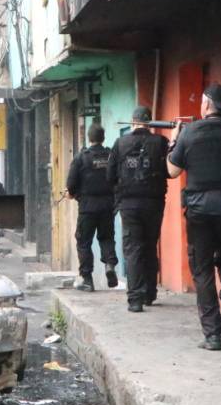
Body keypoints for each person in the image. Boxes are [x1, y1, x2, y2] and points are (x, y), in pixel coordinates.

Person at [167, 84, 221, 351]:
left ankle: (212, 335)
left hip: (199, 210)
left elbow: (172, 171)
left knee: (202, 269)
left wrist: (173, 141)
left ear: (205, 105)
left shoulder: (189, 132)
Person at [107, 106, 170, 312]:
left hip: (129, 204)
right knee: (150, 245)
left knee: (133, 249)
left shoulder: (120, 143)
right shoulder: (161, 142)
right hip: (154, 203)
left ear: (133, 121)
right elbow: (169, 171)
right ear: (150, 122)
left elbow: (110, 175)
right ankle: (149, 293)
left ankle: (135, 299)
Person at [67, 123, 118, 292]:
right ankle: (109, 265)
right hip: (107, 206)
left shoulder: (81, 158)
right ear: (103, 138)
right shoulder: (111, 156)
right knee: (107, 238)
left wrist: (72, 193)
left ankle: (87, 279)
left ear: (89, 138)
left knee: (83, 242)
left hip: (87, 208)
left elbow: (71, 185)